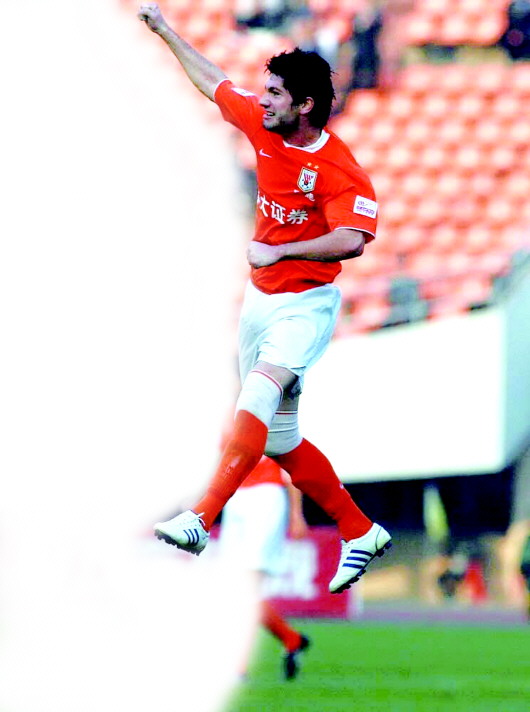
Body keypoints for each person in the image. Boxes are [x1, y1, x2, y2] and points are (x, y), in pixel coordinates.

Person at [138, 3, 392, 595]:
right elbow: (214, 82)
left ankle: (201, 518)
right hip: (260, 303)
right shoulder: (263, 124)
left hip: (305, 304)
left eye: (275, 93)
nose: (264, 100)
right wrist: (165, 30)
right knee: (279, 440)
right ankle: (360, 530)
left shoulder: (338, 168)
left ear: (305, 105)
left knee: (255, 394)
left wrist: (281, 252)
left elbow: (353, 239)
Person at [218, 454, 310, 680]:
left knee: (248, 586)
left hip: (266, 496)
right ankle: (291, 639)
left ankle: (238, 667)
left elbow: (290, 468)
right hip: (235, 494)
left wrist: (296, 514)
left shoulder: (273, 431)